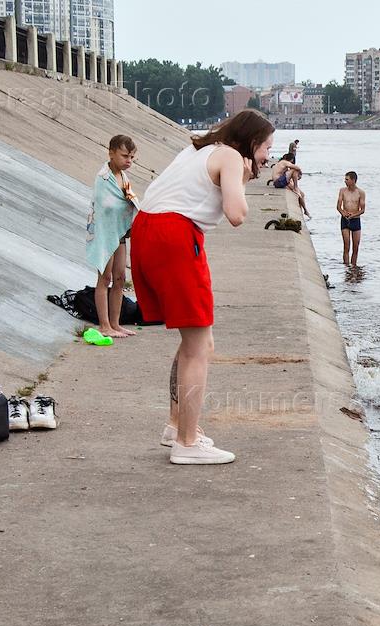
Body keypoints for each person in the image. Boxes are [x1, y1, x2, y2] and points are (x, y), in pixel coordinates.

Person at [129, 109, 275, 466]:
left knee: (195, 341)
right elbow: (238, 215)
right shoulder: (228, 156)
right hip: (175, 235)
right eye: (267, 148)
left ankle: (177, 426)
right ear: (252, 142)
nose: (268, 156)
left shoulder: (198, 150)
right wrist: (241, 176)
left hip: (147, 231)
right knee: (199, 346)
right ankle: (187, 442)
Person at [85, 134, 140, 339]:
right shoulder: (104, 178)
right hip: (105, 233)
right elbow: (105, 205)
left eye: (132, 158)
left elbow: (126, 202)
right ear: (111, 153)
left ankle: (116, 324)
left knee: (120, 278)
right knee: (104, 278)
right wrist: (125, 204)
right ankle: (104, 325)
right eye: (125, 156)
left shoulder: (123, 177)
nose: (129, 161)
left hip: (120, 233)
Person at [337, 171, 366, 267]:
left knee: (356, 247)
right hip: (345, 219)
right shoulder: (342, 190)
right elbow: (338, 206)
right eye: (345, 179)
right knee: (346, 246)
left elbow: (362, 210)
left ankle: (353, 267)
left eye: (347, 179)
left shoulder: (360, 193)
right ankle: (346, 268)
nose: (345, 181)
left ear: (353, 180)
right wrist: (343, 213)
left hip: (355, 220)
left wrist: (353, 215)